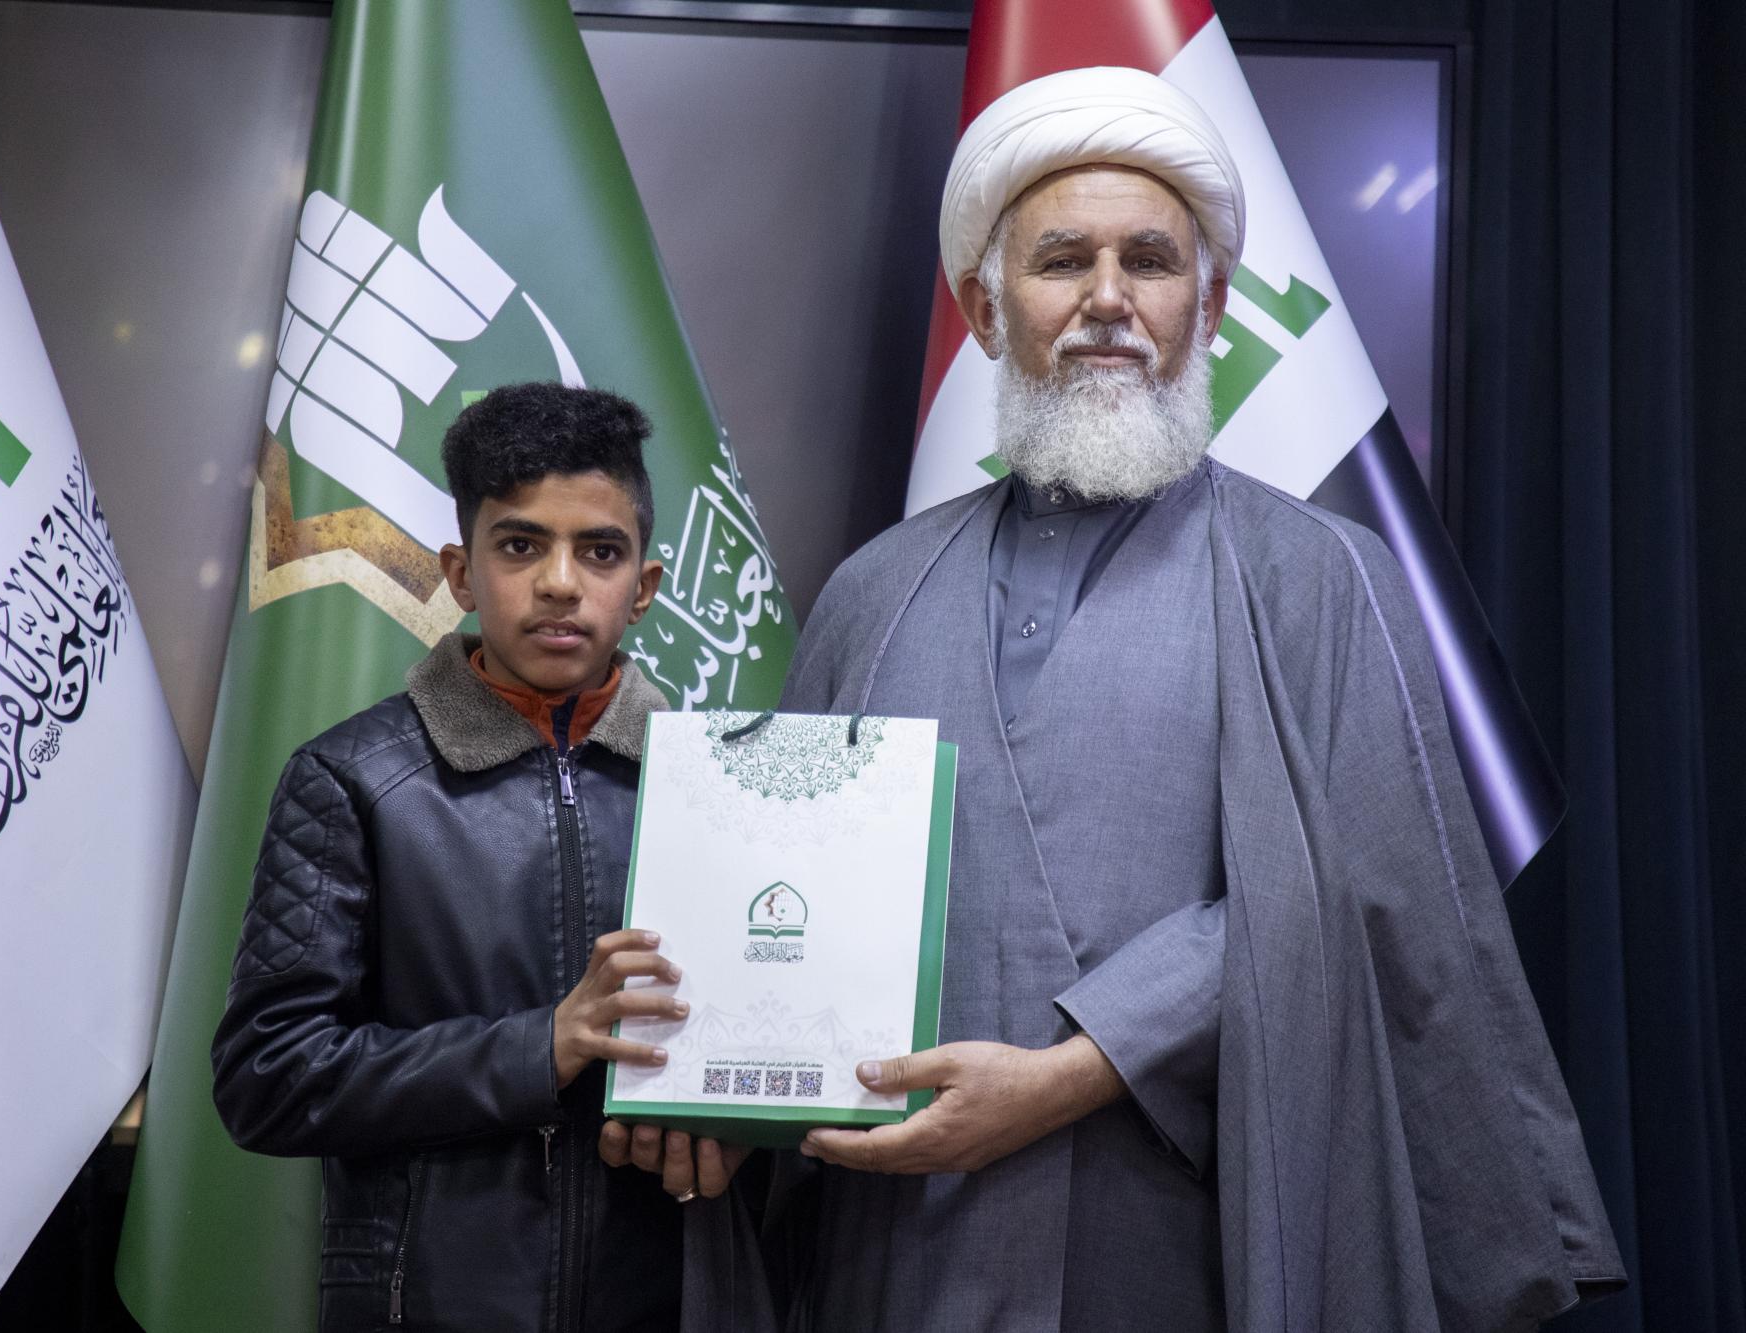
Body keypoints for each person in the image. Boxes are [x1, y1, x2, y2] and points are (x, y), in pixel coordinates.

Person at [672, 67, 1625, 1330]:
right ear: (985, 309)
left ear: (1209, 305)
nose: (1108, 299)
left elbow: (1361, 901)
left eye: (1151, 262)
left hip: (1190, 1230)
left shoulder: (1320, 575)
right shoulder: (873, 589)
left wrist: (1078, 1069)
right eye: (1061, 260)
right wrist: (705, 1075)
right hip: (899, 1241)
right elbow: (779, 904)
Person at [211, 382, 701, 1331]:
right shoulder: (353, 780)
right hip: (427, 1304)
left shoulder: (715, 788)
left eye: (600, 551)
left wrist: (738, 1133)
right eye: (520, 546)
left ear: (643, 587)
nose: (560, 582)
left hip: (660, 1299)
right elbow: (266, 1076)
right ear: (461, 574)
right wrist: (537, 1047)